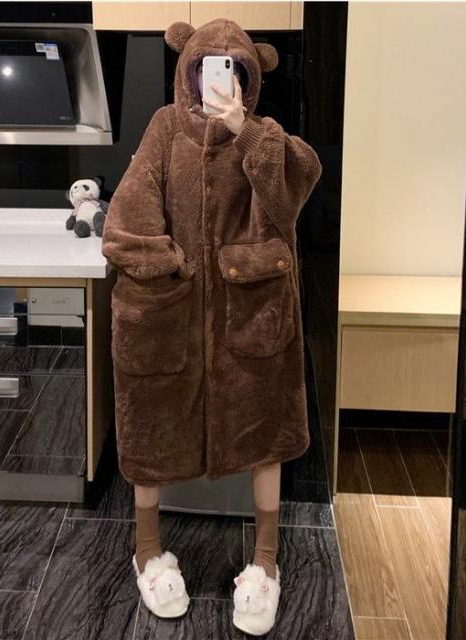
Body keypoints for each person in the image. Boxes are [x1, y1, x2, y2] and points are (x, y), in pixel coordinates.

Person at [101, 18, 322, 636]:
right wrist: (163, 265)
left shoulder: (264, 137)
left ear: (250, 76)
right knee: (150, 424)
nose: (219, 77)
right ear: (188, 71)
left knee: (265, 430)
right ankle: (147, 551)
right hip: (170, 312)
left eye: (234, 68)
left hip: (251, 314)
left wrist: (242, 129)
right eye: (207, 66)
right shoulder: (165, 127)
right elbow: (129, 210)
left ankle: (266, 563)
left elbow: (294, 191)